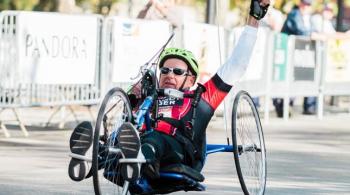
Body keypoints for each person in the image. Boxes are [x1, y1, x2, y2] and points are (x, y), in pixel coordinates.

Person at [68, 0, 270, 182]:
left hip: (179, 151)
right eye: (164, 70)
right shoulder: (150, 96)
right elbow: (126, 121)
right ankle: (89, 159)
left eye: (178, 71)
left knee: (153, 140)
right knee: (121, 140)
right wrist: (132, 97)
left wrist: (255, 18)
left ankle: (135, 159)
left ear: (190, 79)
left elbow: (237, 65)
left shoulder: (202, 98)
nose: (169, 75)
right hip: (136, 148)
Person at [273, 0, 316, 117]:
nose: (307, 7)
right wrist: (315, 35)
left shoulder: (308, 18)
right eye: (306, 4)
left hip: (296, 55)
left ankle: (286, 105)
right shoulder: (294, 14)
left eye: (309, 5)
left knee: (294, 80)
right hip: (286, 53)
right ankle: (280, 105)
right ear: (301, 4)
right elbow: (302, 31)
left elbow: (313, 30)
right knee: (285, 81)